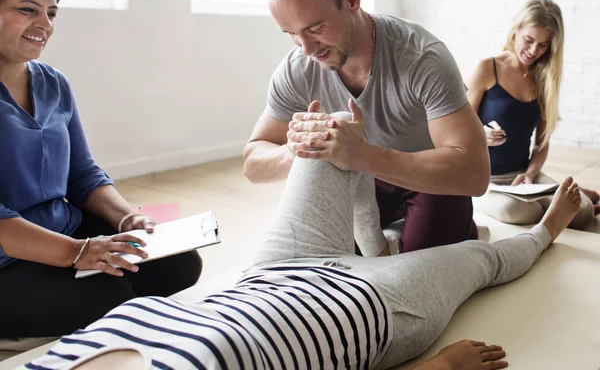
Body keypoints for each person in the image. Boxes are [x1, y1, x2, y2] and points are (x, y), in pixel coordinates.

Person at [21, 155, 582, 370]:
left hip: (269, 273)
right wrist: (440, 368)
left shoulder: (47, 364)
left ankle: (373, 240)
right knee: (475, 257)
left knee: (330, 143)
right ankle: (543, 230)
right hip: (376, 310)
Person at [243, 0, 490, 254]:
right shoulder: (297, 67)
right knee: (333, 267)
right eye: (290, 33)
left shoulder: (421, 58)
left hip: (428, 179)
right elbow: (252, 162)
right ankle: (395, 235)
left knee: (416, 274)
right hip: (361, 184)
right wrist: (293, 152)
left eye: (316, 27)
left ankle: (458, 230)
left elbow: (476, 174)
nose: (305, 48)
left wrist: (361, 155)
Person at [0, 0, 201, 339]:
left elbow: (82, 174)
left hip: (63, 228)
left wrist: (128, 219)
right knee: (106, 295)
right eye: (28, 10)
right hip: (6, 255)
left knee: (178, 264)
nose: (45, 25)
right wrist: (75, 253)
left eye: (52, 14)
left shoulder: (53, 82)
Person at [467, 0, 599, 228]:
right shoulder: (488, 68)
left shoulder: (545, 78)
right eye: (528, 40)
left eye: (542, 45)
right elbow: (459, 128)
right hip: (485, 180)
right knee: (520, 212)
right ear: (516, 30)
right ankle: (565, 196)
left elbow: (541, 143)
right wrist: (481, 134)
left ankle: (574, 196)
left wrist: (530, 174)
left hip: (525, 177)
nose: (533, 51)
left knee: (584, 213)